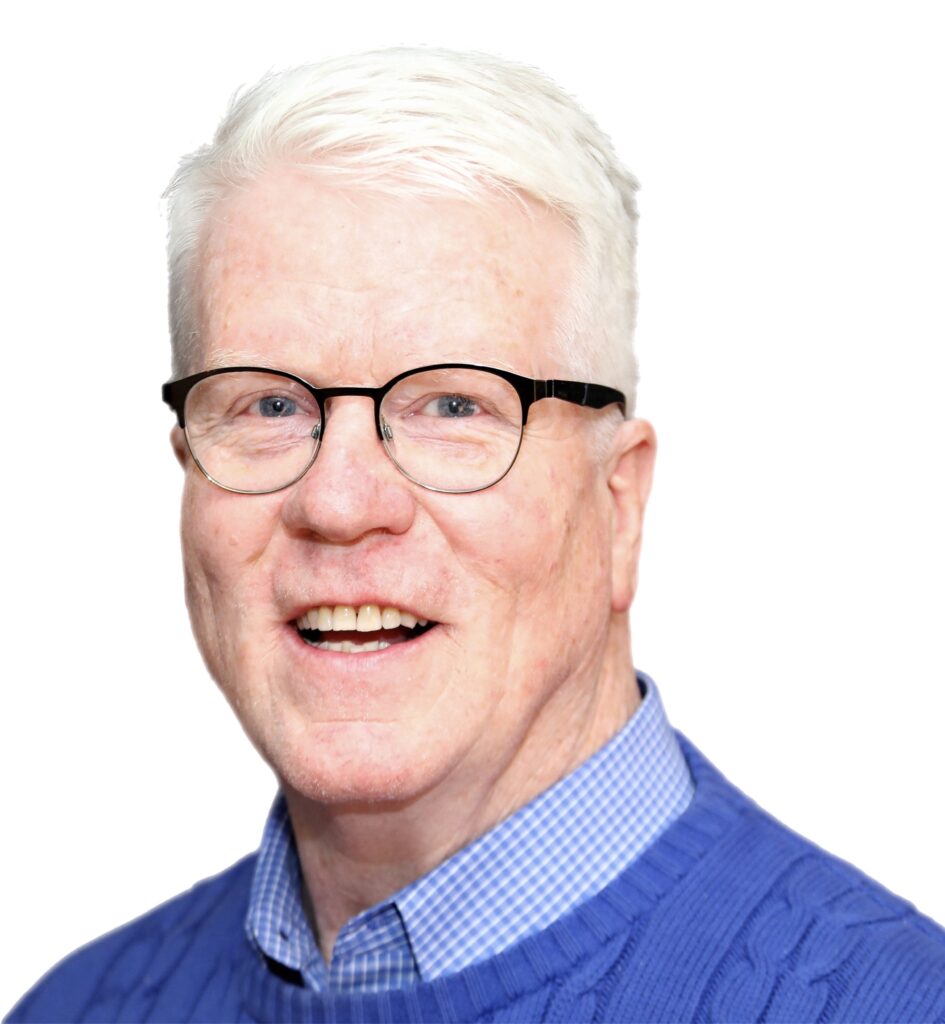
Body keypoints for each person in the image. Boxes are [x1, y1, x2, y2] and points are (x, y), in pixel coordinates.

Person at [8, 47, 945, 1024]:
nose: (339, 501)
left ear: (619, 503)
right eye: (269, 406)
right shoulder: (75, 1010)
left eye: (454, 405)